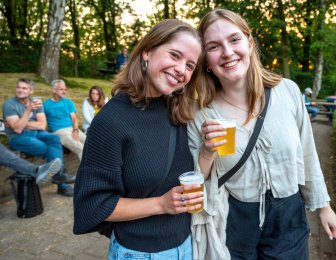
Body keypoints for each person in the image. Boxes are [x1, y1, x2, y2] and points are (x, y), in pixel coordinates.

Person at [187, 9, 336, 260]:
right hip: (234, 222)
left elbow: (307, 151)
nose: (227, 52)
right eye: (214, 46)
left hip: (289, 218)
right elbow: (195, 181)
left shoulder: (287, 91)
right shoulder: (200, 115)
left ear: (249, 43)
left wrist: (324, 207)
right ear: (206, 59)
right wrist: (206, 151)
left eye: (234, 40)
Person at [73, 19, 203, 259]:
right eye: (174, 55)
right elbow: (93, 205)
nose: (181, 69)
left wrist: (210, 149)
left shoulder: (177, 112)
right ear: (147, 51)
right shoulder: (111, 120)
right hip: (140, 252)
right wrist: (161, 204)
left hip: (187, 246)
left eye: (190, 65)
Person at [2, 78, 76, 197]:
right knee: (49, 149)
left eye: (24, 88)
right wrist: (28, 111)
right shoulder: (9, 105)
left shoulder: (36, 101)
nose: (20, 90)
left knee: (54, 138)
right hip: (18, 138)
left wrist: (21, 122)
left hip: (36, 133)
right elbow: (17, 129)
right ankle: (62, 183)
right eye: (18, 87)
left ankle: (59, 177)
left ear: (31, 91)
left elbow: (42, 125)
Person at [44, 79, 86, 161]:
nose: (64, 92)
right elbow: (42, 122)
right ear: (54, 90)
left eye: (65, 89)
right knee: (80, 148)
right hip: (58, 131)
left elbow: (74, 118)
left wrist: (75, 130)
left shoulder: (68, 102)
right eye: (61, 89)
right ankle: (87, 172)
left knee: (91, 143)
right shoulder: (46, 105)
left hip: (71, 128)